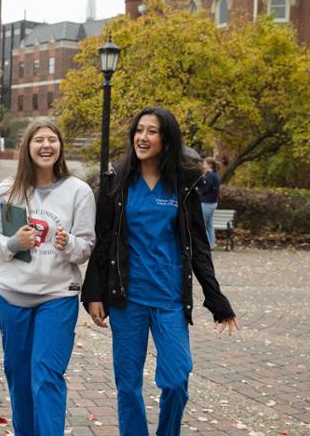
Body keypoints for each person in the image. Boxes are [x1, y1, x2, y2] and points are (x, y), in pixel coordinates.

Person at [82, 107, 239, 436]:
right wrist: (93, 292)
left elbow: (198, 246)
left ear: (166, 139)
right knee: (127, 384)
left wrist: (216, 298)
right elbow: (103, 240)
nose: (143, 137)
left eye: (152, 131)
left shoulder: (183, 184)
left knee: (177, 379)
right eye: (139, 130)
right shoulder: (117, 180)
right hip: (127, 299)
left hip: (169, 299)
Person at [0, 118, 96, 435]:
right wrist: (12, 244)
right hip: (12, 296)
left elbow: (87, 245)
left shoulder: (79, 192)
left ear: (60, 147)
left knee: (46, 373)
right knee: (18, 375)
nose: (46, 145)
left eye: (52, 139)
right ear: (27, 147)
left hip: (57, 297)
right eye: (38, 140)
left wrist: (69, 243)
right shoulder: (8, 190)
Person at [201, 157, 221, 247]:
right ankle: (211, 243)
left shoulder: (210, 176)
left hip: (207, 203)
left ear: (209, 165)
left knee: (202, 224)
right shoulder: (214, 175)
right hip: (212, 203)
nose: (203, 165)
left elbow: (205, 189)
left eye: (204, 164)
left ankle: (206, 244)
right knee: (209, 224)